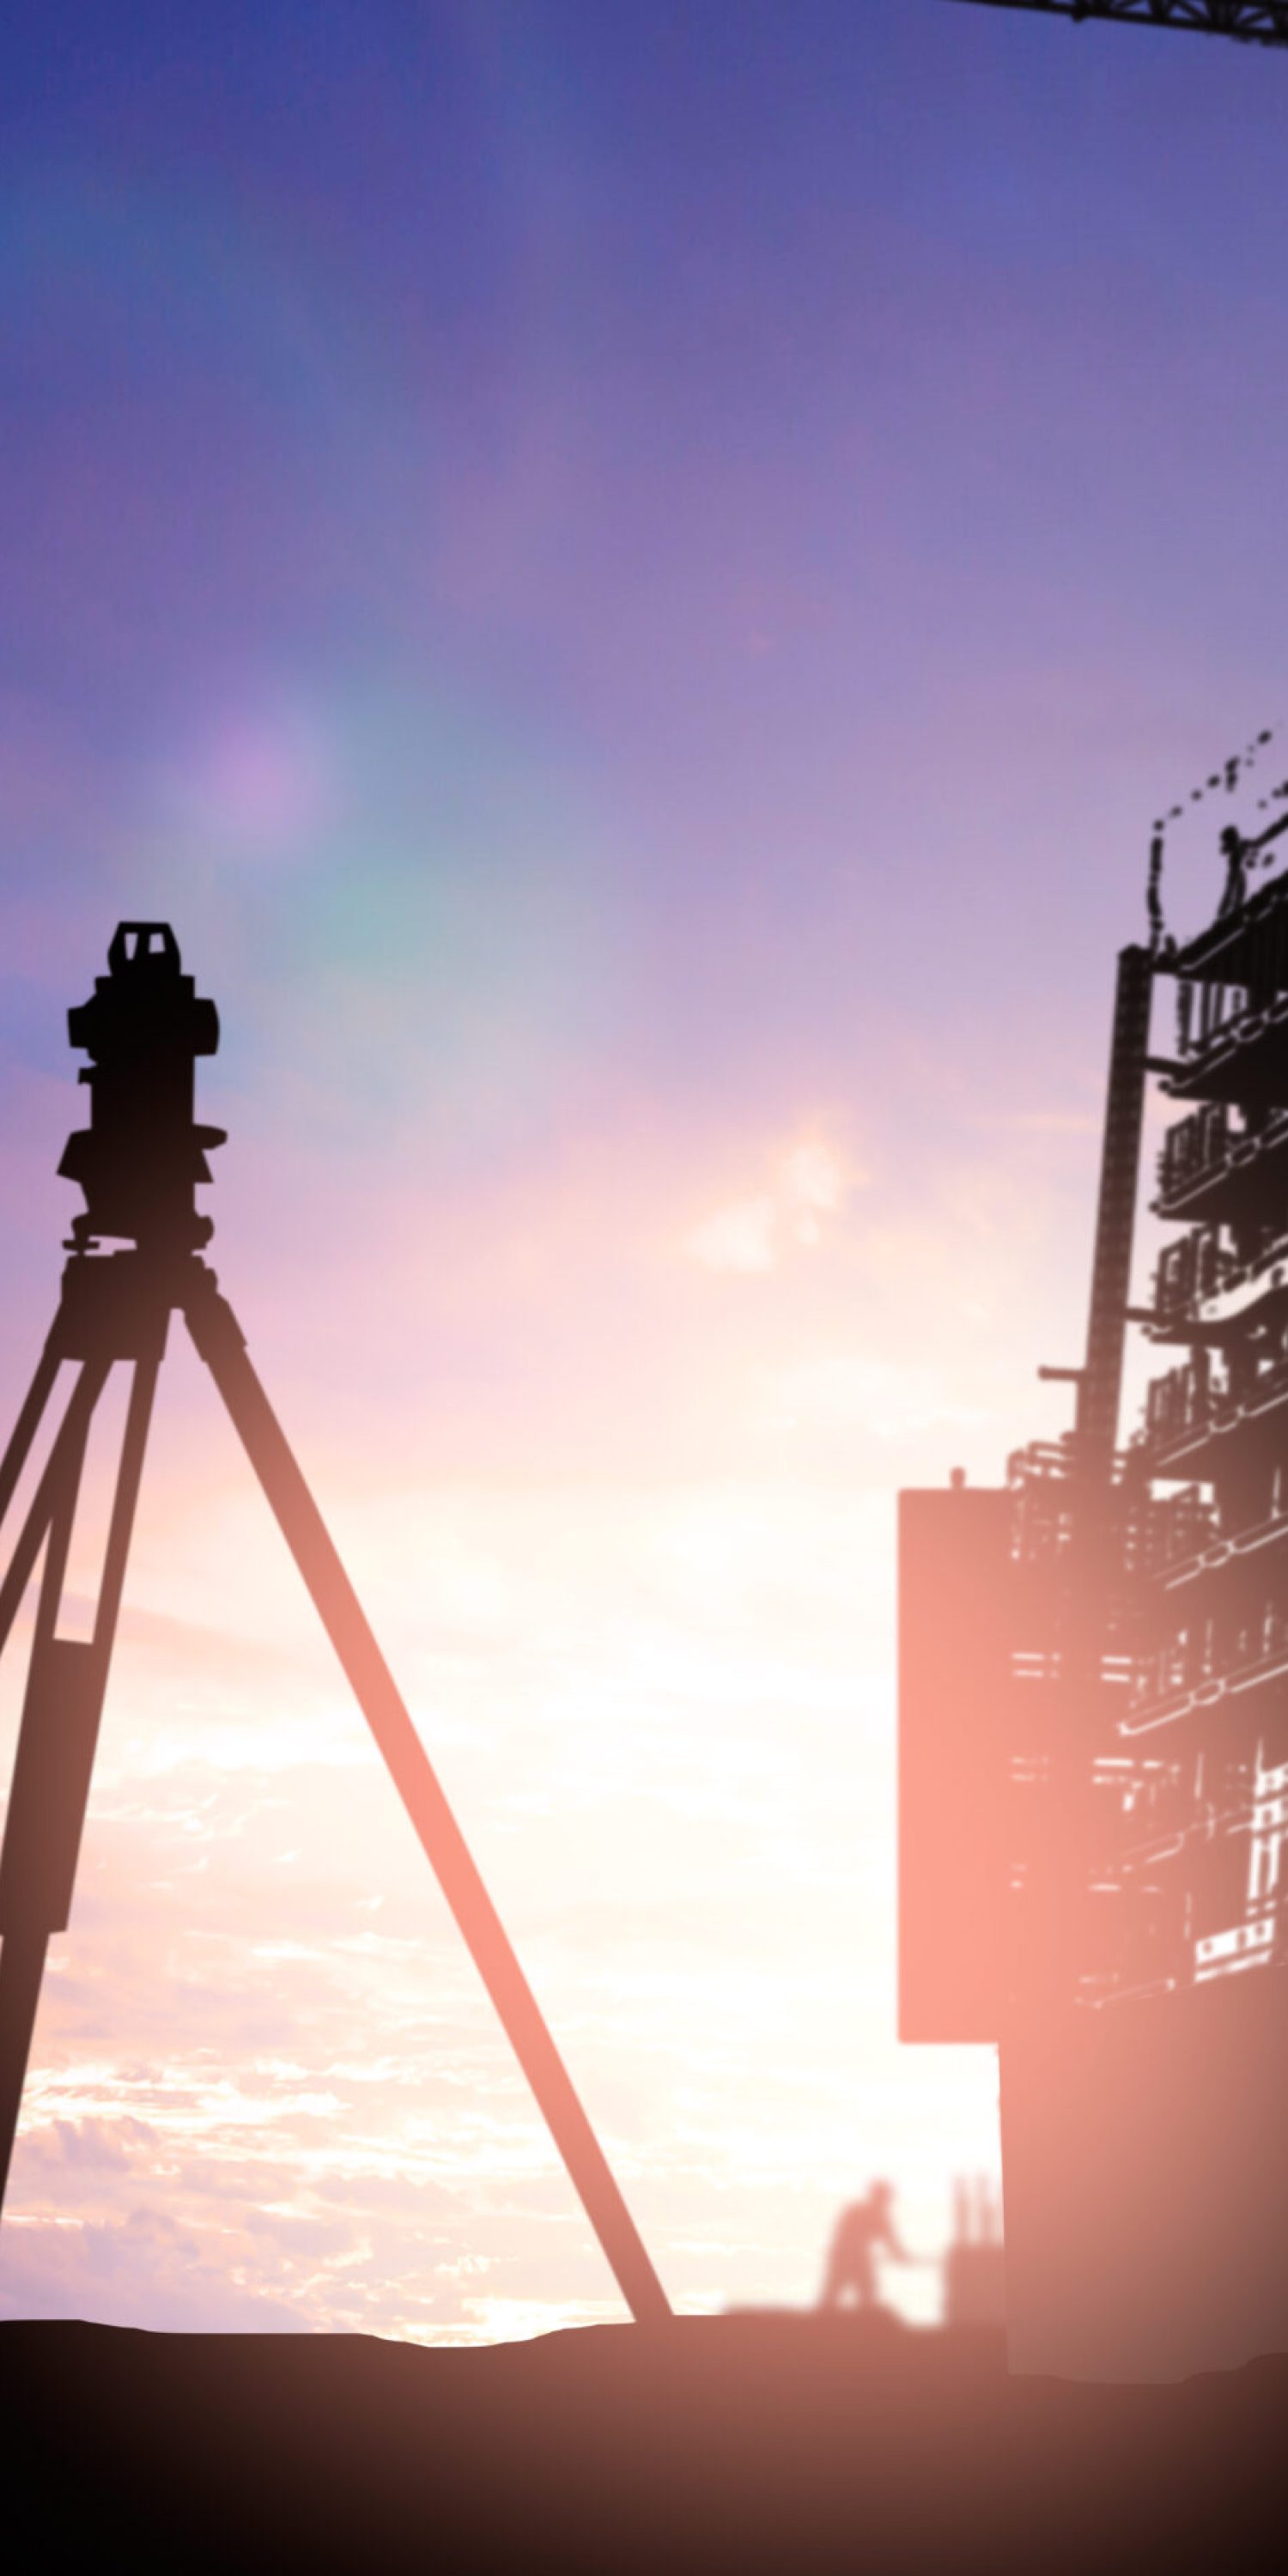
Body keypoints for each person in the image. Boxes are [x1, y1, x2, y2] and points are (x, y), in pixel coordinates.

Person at [817, 2180, 912, 2311]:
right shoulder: (875, 2215)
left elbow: (892, 2245)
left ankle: (827, 2318)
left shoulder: (856, 2211)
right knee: (861, 2294)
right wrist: (902, 2257)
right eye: (887, 2197)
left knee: (842, 2294)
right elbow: (892, 2245)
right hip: (850, 2259)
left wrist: (901, 2256)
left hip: (845, 2257)